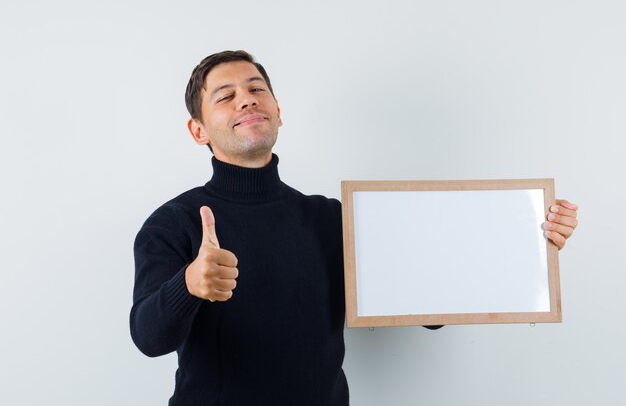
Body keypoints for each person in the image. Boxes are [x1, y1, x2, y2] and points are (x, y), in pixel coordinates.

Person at [129, 50, 579, 406]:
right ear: (198, 130)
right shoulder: (174, 223)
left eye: (256, 88)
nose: (246, 99)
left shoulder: (333, 219)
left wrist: (529, 240)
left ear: (278, 111)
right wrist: (189, 285)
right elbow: (148, 339)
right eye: (225, 96)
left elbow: (429, 304)